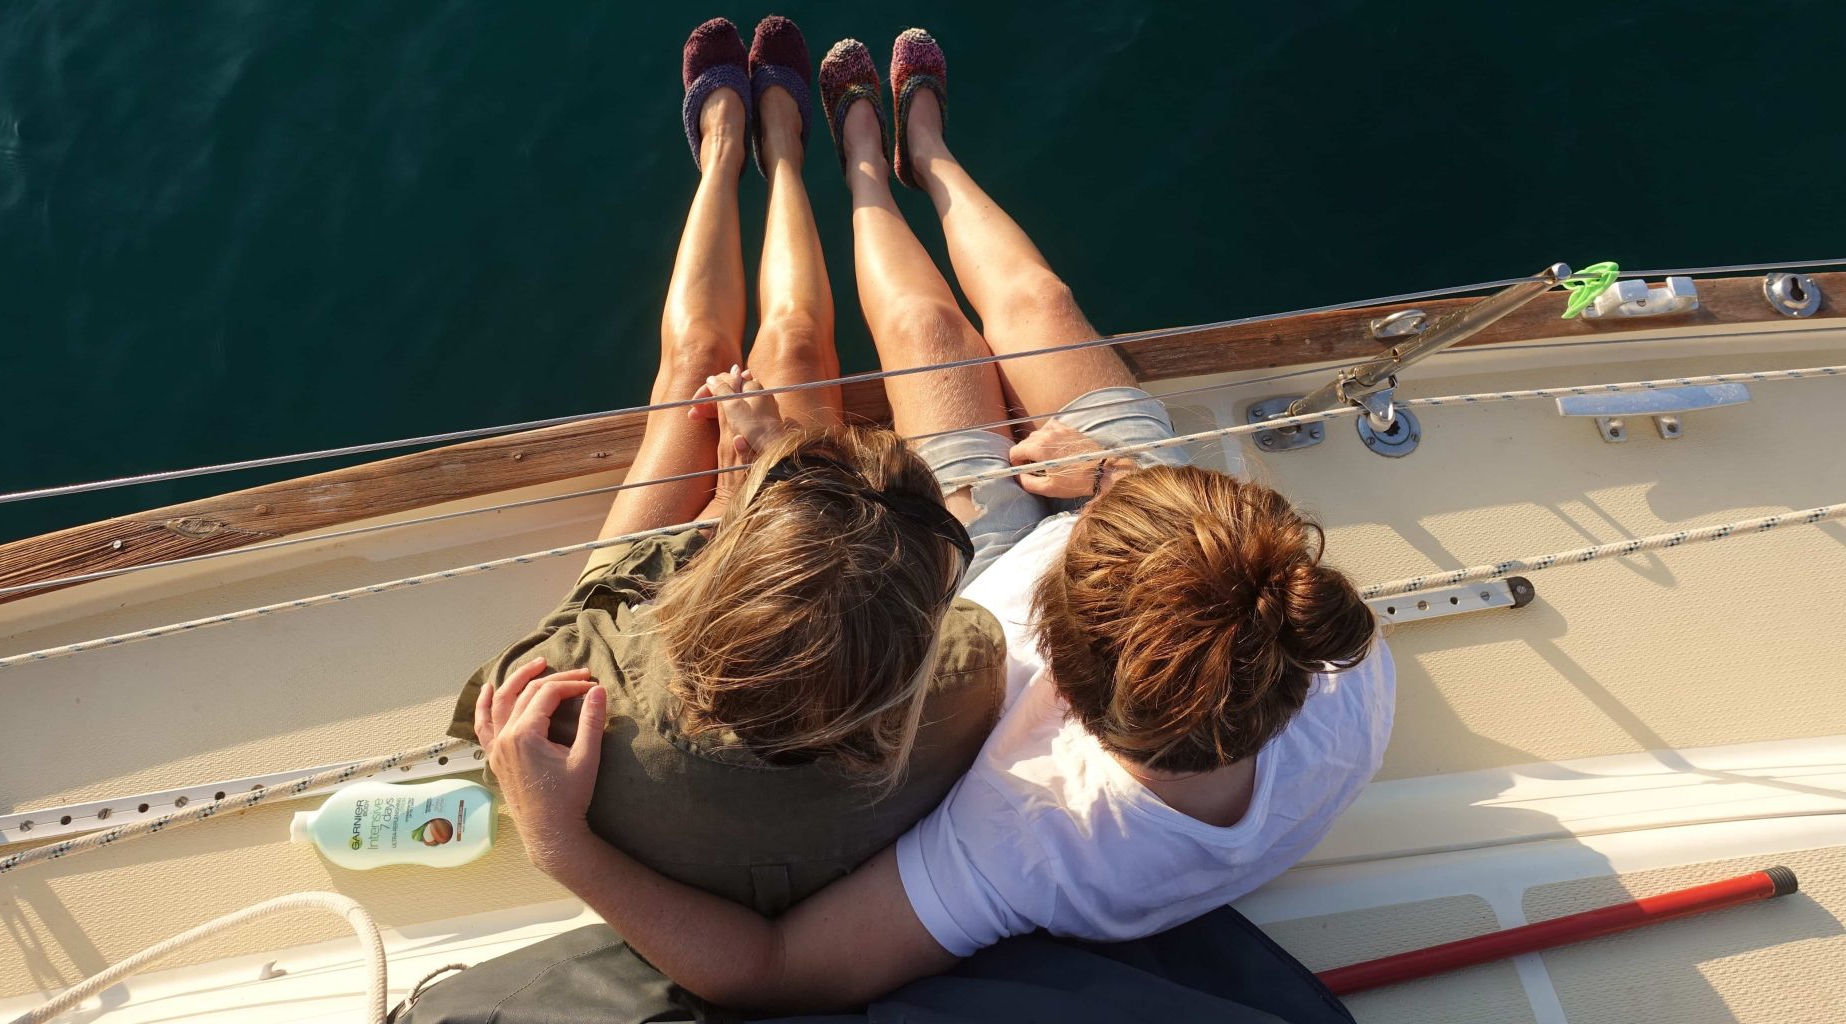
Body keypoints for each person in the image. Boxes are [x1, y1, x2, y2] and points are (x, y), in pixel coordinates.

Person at [474, 26, 1395, 1014]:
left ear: (1059, 680)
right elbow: (1219, 577)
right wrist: (1119, 478)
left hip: (998, 550)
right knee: (1039, 302)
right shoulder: (1314, 643)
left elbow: (775, 969)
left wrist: (560, 844)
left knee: (930, 335)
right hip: (1144, 522)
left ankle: (861, 158)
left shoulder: (1035, 830)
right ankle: (908, 159)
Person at [448, 17, 1010, 916]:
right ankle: (782, 154)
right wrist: (761, 461)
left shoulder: (590, 707)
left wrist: (742, 474)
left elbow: (510, 702)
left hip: (653, 630)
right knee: (787, 353)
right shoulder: (965, 675)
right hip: (770, 614)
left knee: (697, 370)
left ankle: (727, 152)